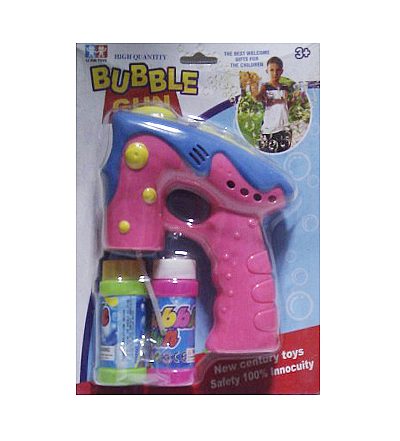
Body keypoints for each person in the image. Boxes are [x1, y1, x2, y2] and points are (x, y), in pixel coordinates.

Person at [256, 56, 292, 153]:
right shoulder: (265, 87)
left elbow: (286, 105)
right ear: (267, 71)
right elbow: (259, 98)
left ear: (282, 71)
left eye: (278, 70)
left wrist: (293, 100)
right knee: (267, 153)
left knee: (283, 152)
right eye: (271, 70)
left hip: (284, 127)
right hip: (269, 128)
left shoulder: (285, 88)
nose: (275, 73)